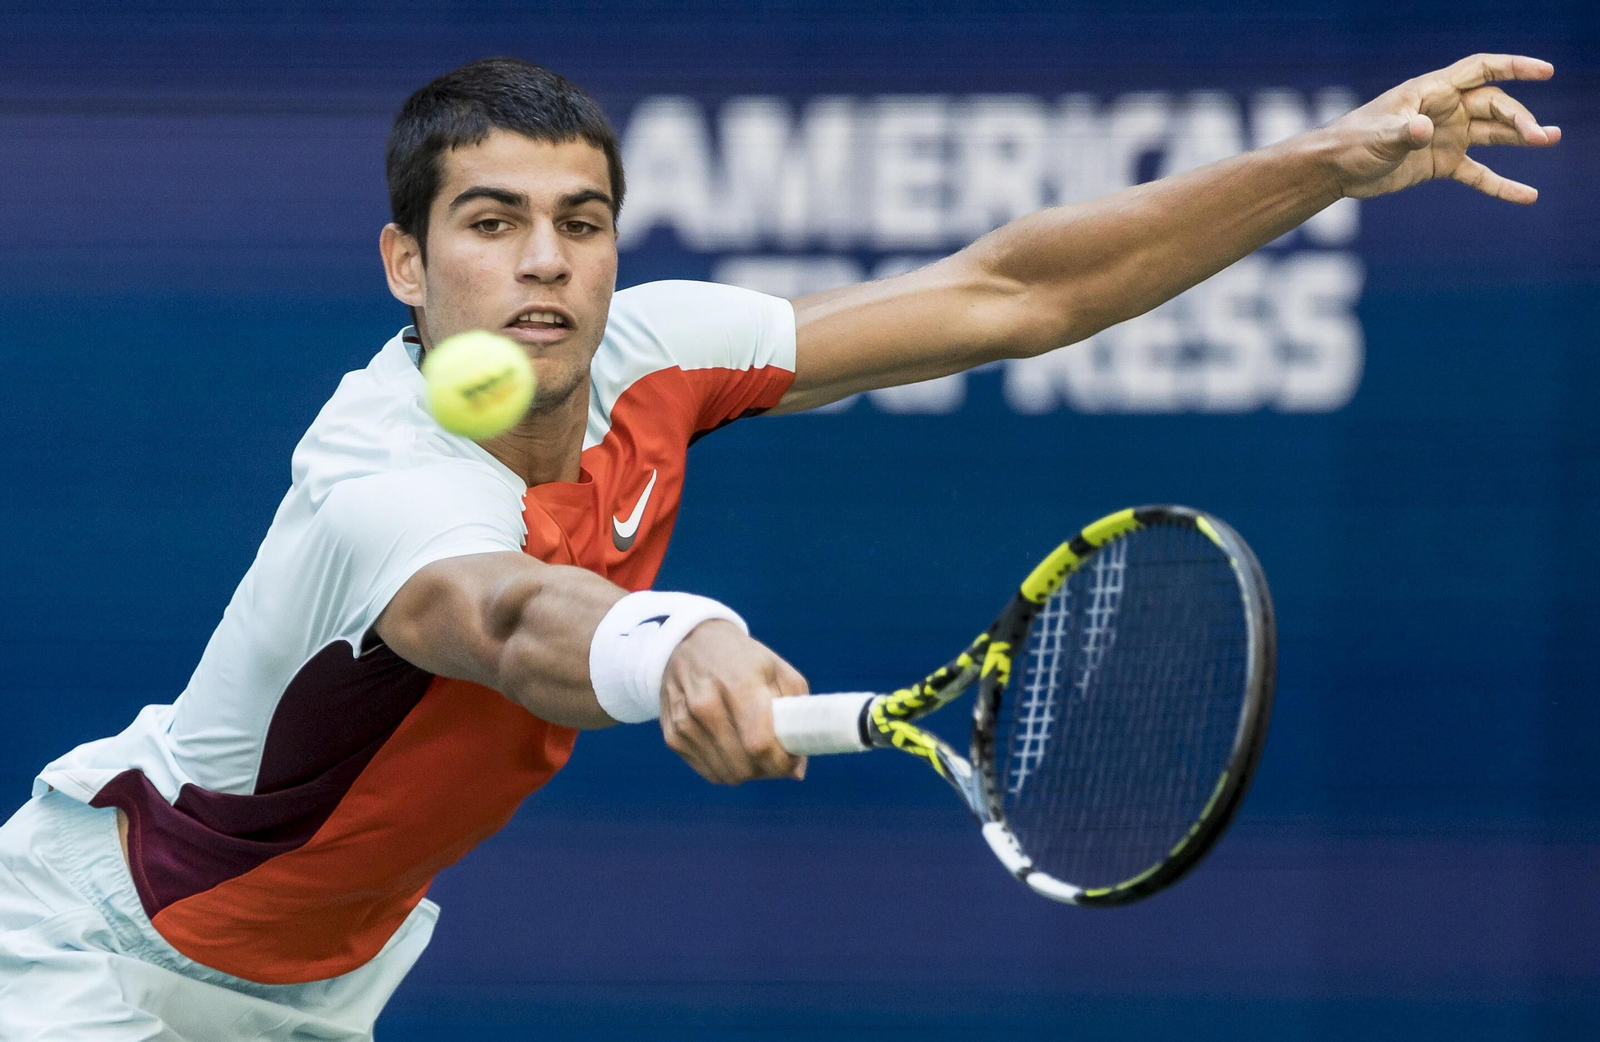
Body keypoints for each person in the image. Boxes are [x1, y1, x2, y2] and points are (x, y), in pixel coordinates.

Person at [0, 53, 1558, 1040]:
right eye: (490, 223)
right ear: (407, 261)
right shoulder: (385, 474)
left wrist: (1326, 165)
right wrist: (676, 638)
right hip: (94, 947)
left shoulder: (657, 355)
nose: (545, 259)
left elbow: (1018, 292)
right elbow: (504, 616)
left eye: (582, 218)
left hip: (306, 985)